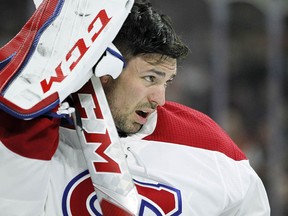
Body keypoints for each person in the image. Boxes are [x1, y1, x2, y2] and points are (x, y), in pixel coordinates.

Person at [0, 0, 270, 215]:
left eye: (167, 81)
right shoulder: (35, 136)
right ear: (104, 69)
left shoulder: (208, 146)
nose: (160, 100)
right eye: (150, 78)